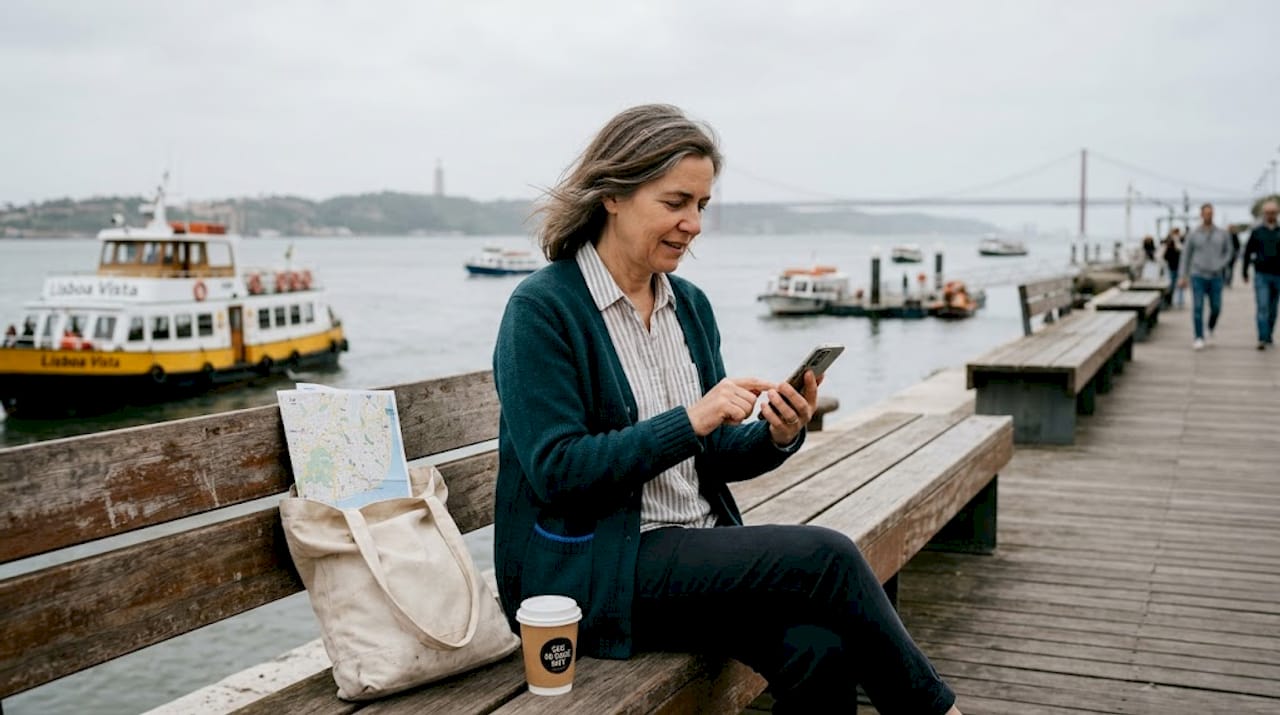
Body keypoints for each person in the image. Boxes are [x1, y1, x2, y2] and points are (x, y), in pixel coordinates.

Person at [492, 104, 961, 715]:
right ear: (612, 194)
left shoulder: (688, 304)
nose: (693, 224)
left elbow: (711, 458)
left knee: (820, 649)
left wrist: (777, 434)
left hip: (693, 552)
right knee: (825, 555)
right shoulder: (544, 309)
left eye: (702, 206)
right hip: (598, 568)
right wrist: (690, 420)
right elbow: (557, 471)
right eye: (675, 202)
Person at [1178, 203, 1233, 350]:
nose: (1208, 215)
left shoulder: (1222, 234)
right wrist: (1182, 276)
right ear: (1201, 215)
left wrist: (1221, 264)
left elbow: (1229, 252)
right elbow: (1186, 255)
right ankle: (1198, 337)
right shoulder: (1193, 234)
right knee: (1197, 306)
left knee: (1216, 307)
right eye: (1206, 213)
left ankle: (1210, 327)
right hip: (1198, 275)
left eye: (1211, 213)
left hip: (1216, 276)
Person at [1242, 199, 1280, 350]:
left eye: (1273, 212)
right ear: (1264, 214)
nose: (1270, 215)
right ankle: (1262, 337)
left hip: (1278, 275)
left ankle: (1269, 334)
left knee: (1273, 308)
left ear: (1277, 213)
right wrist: (1244, 271)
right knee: (1262, 306)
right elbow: (1247, 252)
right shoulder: (1257, 232)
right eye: (1268, 212)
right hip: (1261, 275)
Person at [1162, 228, 1183, 308]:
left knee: (1174, 284)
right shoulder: (1171, 243)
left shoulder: (1176, 242)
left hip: (1174, 266)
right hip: (1175, 266)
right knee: (1174, 284)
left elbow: (1165, 256)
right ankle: (1176, 301)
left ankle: (1175, 301)